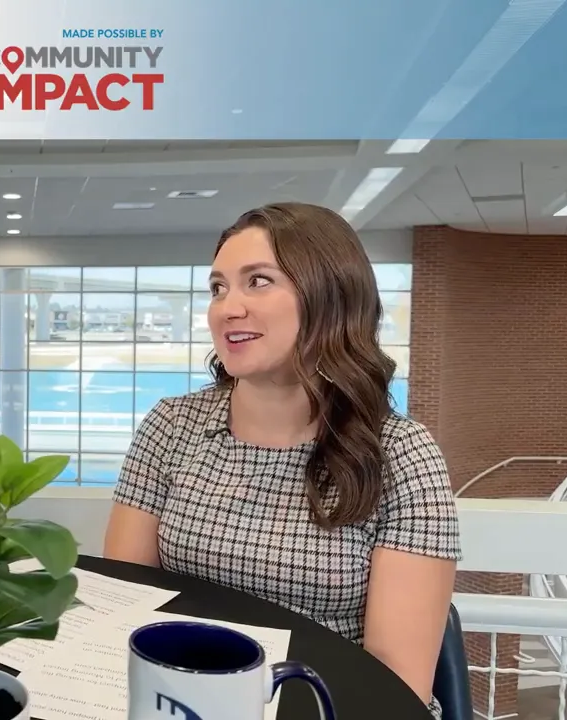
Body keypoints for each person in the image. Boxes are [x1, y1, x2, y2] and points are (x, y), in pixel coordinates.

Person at [104, 202, 460, 718]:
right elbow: (125, 608)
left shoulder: (402, 454)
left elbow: (393, 683)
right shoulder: (172, 426)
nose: (227, 308)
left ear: (330, 297)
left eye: (258, 282)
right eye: (218, 287)